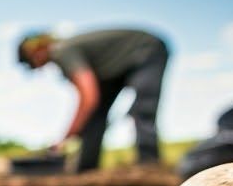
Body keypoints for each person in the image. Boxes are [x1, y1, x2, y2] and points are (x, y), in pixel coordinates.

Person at [18, 28, 170, 172]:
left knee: (142, 109)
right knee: (95, 118)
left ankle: (149, 165)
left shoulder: (62, 51)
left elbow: (88, 98)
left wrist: (67, 136)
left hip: (145, 51)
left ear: (36, 51)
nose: (37, 66)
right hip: (112, 70)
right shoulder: (65, 51)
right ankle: (86, 170)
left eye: (32, 61)